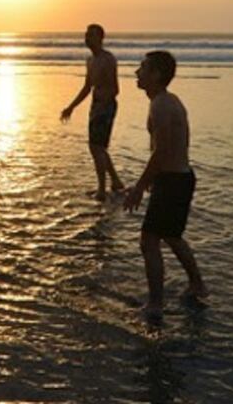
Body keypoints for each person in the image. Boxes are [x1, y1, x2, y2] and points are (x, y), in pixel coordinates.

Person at [123, 51, 207, 322]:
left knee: (149, 240)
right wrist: (153, 181)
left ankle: (156, 304)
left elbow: (162, 151)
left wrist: (139, 186)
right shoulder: (167, 101)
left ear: (156, 74)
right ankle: (198, 284)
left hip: (173, 180)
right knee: (171, 236)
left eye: (143, 68)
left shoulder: (161, 105)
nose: (137, 72)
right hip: (176, 178)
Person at [61, 23, 123, 200]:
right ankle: (116, 181)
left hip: (107, 105)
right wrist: (71, 107)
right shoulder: (90, 60)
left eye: (91, 35)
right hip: (96, 105)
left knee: (96, 147)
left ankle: (102, 189)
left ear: (101, 38)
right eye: (86, 35)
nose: (87, 38)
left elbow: (115, 89)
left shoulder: (108, 59)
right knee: (98, 147)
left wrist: (103, 106)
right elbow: (87, 87)